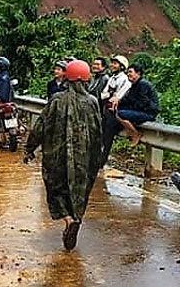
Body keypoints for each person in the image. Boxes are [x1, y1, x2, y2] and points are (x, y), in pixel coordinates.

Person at [24, 60, 103, 250]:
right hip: (84, 159)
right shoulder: (92, 102)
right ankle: (76, 217)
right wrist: (97, 158)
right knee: (78, 191)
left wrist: (30, 147)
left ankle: (68, 219)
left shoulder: (57, 99)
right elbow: (98, 132)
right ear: (86, 80)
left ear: (67, 78)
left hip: (56, 156)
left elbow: (41, 125)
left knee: (56, 189)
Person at [113, 64, 159, 145]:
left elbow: (143, 103)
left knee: (120, 114)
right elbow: (128, 100)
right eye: (127, 72)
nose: (128, 74)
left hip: (149, 113)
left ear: (138, 73)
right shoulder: (134, 85)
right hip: (142, 110)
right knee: (116, 111)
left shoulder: (143, 84)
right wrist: (117, 102)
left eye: (130, 72)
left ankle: (135, 134)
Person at [99, 55, 132, 164]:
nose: (112, 65)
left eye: (115, 63)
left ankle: (102, 160)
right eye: (112, 63)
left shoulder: (125, 80)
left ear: (122, 66)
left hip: (115, 112)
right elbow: (103, 94)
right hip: (107, 110)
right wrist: (110, 95)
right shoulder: (112, 78)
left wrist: (110, 96)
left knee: (108, 137)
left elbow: (118, 97)